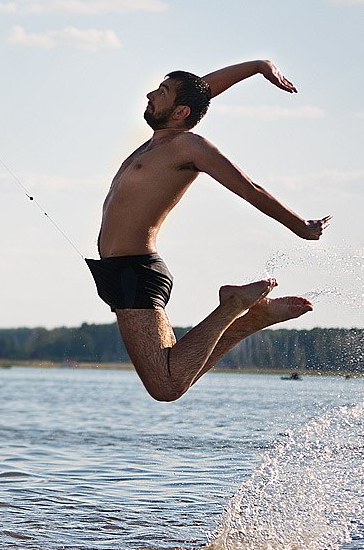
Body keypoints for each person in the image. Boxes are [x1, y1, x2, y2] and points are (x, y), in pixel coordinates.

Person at [87, 60, 330, 401]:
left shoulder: (189, 147)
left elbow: (249, 188)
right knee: (173, 372)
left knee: (167, 386)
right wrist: (258, 66)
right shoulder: (159, 141)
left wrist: (301, 227)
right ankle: (249, 319)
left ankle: (233, 305)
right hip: (118, 270)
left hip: (135, 270)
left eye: (161, 92)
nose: (149, 94)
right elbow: (201, 90)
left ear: (180, 112)